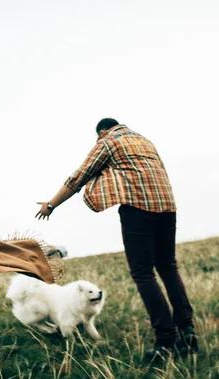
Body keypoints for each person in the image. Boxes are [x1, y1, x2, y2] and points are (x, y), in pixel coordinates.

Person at [35, 118, 198, 359]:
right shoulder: (145, 142)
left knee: (143, 273)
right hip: (167, 207)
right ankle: (188, 332)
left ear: (102, 131)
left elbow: (78, 177)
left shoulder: (108, 141)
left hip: (138, 209)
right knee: (168, 267)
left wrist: (51, 205)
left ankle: (166, 340)